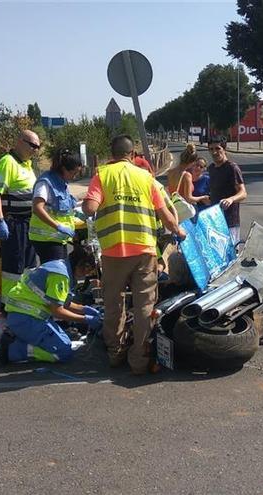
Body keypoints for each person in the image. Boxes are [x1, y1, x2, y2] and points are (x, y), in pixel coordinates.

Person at [83, 135, 187, 375]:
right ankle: (139, 361)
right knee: (143, 305)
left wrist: (90, 204)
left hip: (112, 253)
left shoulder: (102, 175)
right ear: (133, 155)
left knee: (113, 304)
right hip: (143, 251)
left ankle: (115, 354)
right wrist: (178, 231)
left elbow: (90, 208)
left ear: (112, 153)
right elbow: (165, 215)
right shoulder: (146, 178)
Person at [0, 248, 101, 364]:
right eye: (89, 270)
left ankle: (18, 337)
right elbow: (57, 311)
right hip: (27, 319)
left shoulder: (59, 266)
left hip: (23, 316)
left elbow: (62, 303)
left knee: (66, 342)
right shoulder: (60, 277)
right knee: (63, 353)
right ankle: (13, 350)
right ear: (83, 265)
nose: (87, 274)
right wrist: (85, 319)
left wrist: (84, 309)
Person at [0, 130, 40, 301]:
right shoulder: (7, 163)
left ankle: (26, 302)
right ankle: (10, 307)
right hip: (14, 224)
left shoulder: (27, 165)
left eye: (38, 147)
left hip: (29, 223)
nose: (36, 150)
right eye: (32, 145)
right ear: (20, 142)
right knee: (13, 269)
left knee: (30, 267)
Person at [29, 149, 83, 263]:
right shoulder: (45, 182)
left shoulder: (61, 183)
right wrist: (58, 226)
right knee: (56, 274)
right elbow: (37, 208)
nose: (74, 177)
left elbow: (62, 208)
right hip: (46, 239)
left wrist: (77, 214)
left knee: (61, 271)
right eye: (73, 173)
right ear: (64, 169)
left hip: (57, 238)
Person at [207, 138, 247, 245]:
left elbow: (243, 193)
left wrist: (231, 199)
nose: (214, 152)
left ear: (224, 149)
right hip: (216, 220)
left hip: (230, 222)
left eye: (218, 148)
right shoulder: (211, 168)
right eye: (211, 149)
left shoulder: (232, 168)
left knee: (231, 256)